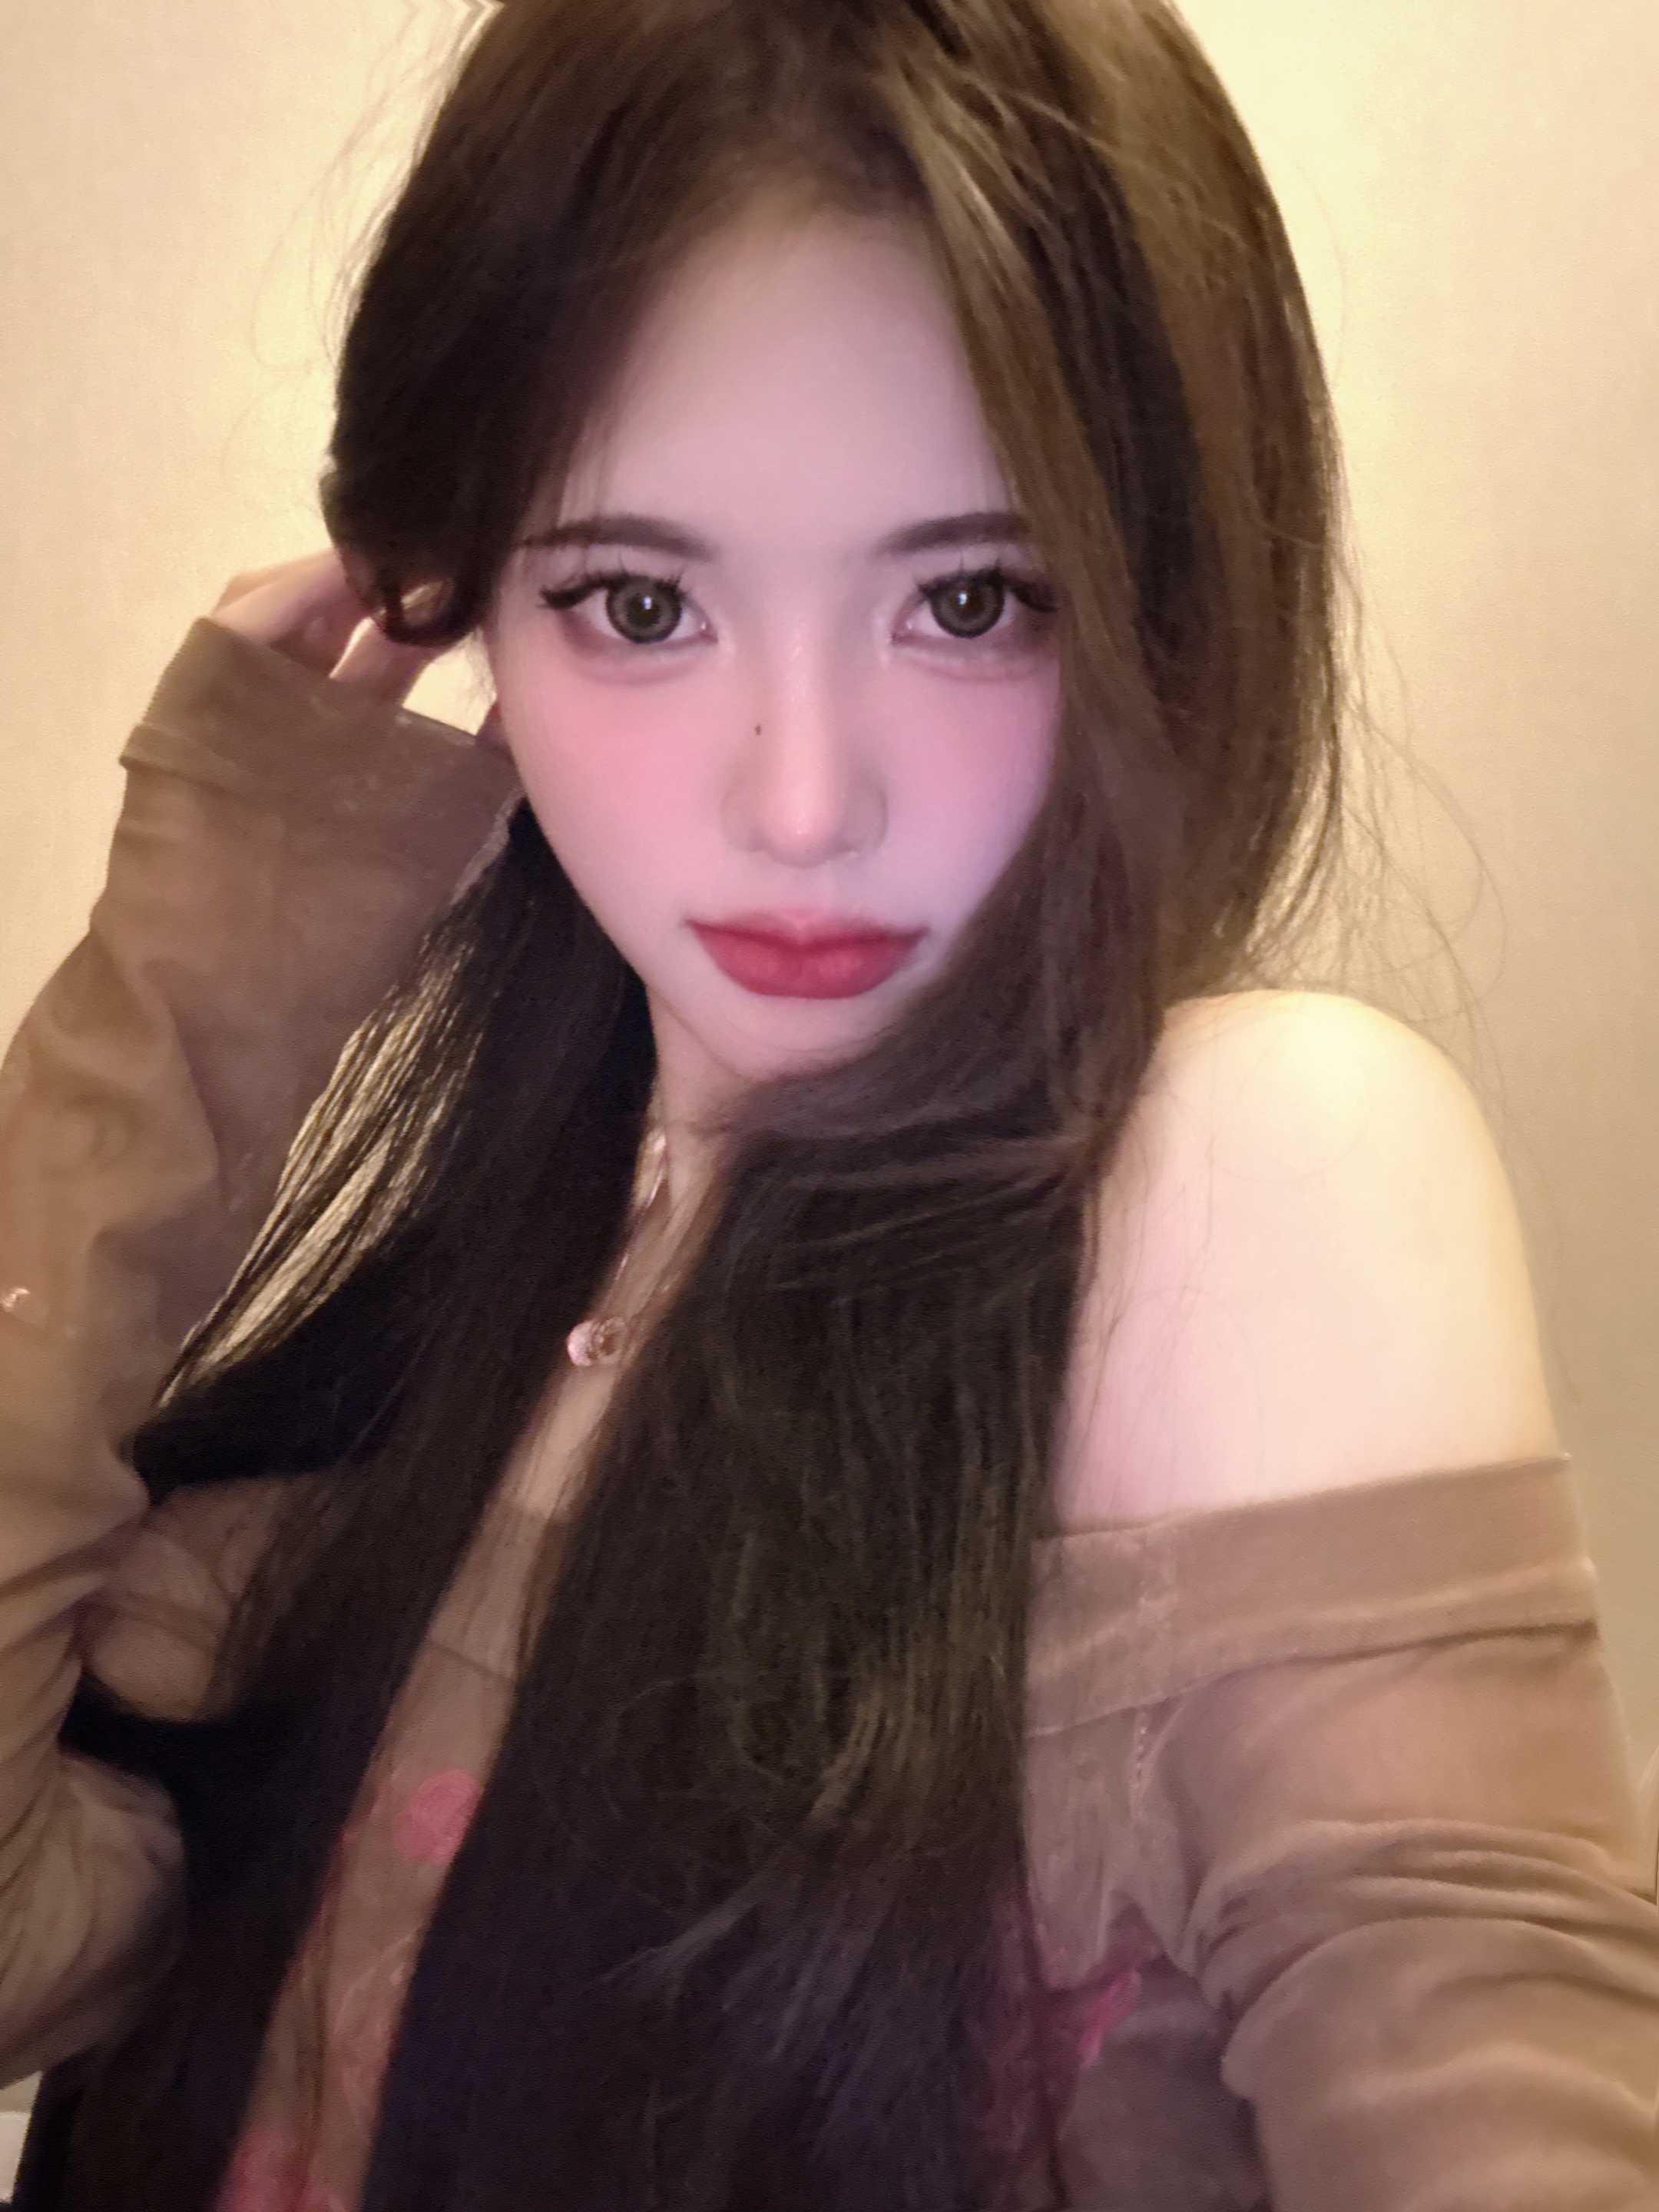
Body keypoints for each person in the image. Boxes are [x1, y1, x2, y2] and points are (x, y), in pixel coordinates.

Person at [1, 1, 1656, 2206]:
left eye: (970, 599)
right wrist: (204, 966)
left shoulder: (1251, 1183)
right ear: (466, 597)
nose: (801, 804)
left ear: (1166, 596)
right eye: (638, 601)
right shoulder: (486, 1317)